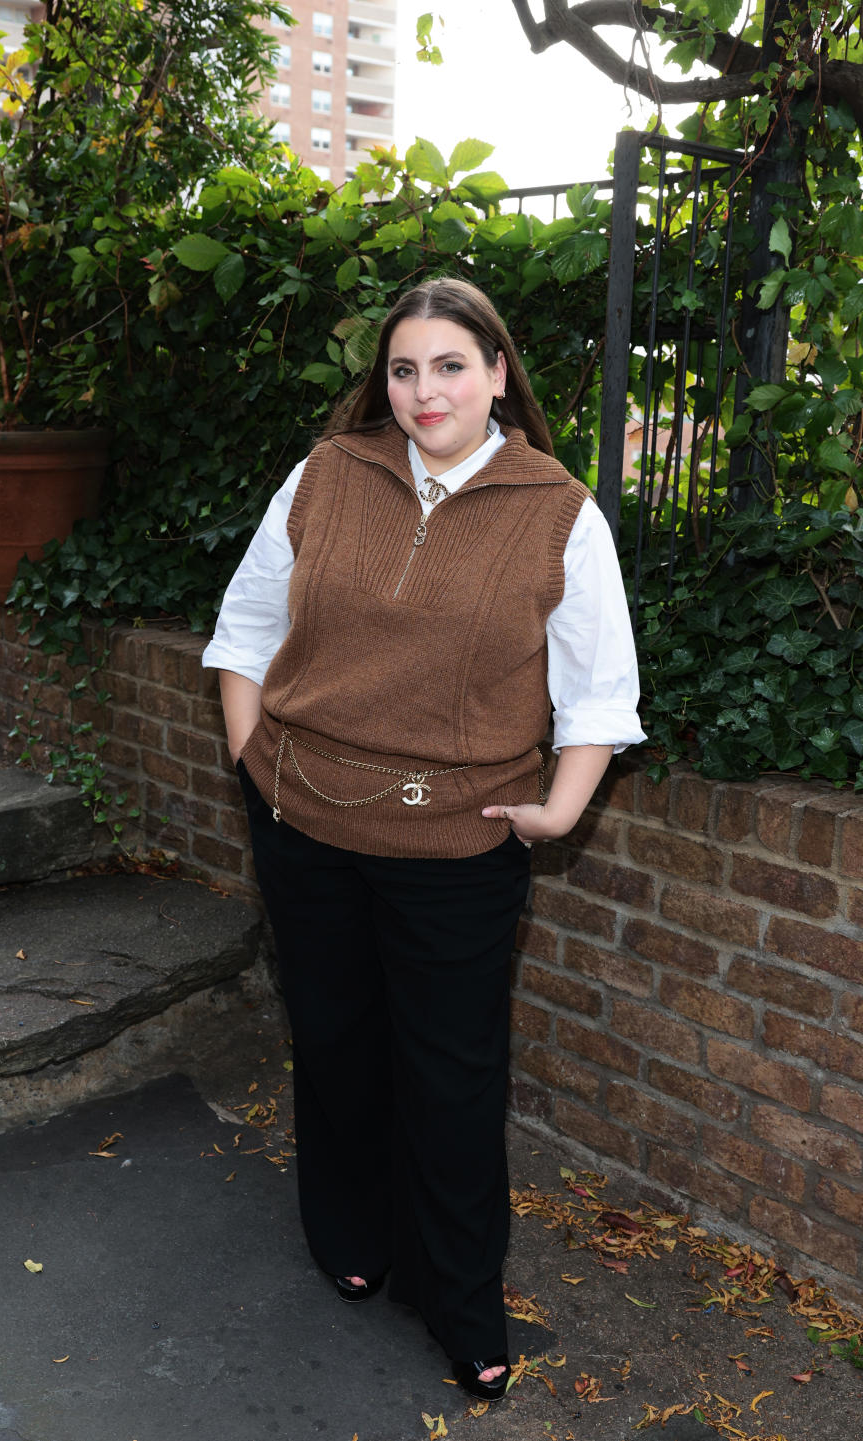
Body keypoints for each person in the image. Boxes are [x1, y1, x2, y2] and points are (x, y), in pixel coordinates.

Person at [202, 276, 645, 1402]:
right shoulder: (326, 474)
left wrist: (556, 813)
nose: (424, 390)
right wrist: (255, 759)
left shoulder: (557, 509)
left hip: (457, 850)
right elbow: (247, 627)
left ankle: (460, 1303)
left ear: (499, 373)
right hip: (306, 826)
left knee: (450, 1084)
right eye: (405, 369)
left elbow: (599, 691)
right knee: (337, 1045)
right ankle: (350, 1235)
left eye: (450, 365)